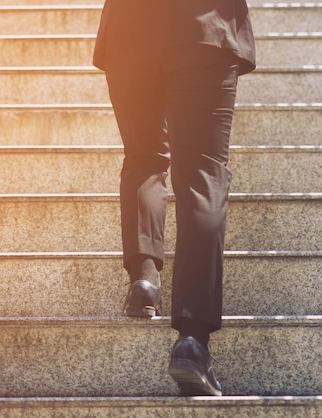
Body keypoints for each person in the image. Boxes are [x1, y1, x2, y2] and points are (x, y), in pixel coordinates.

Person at [93, 0, 256, 396]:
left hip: (130, 31)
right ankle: (192, 341)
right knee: (202, 175)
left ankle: (144, 279)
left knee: (143, 156)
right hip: (205, 29)